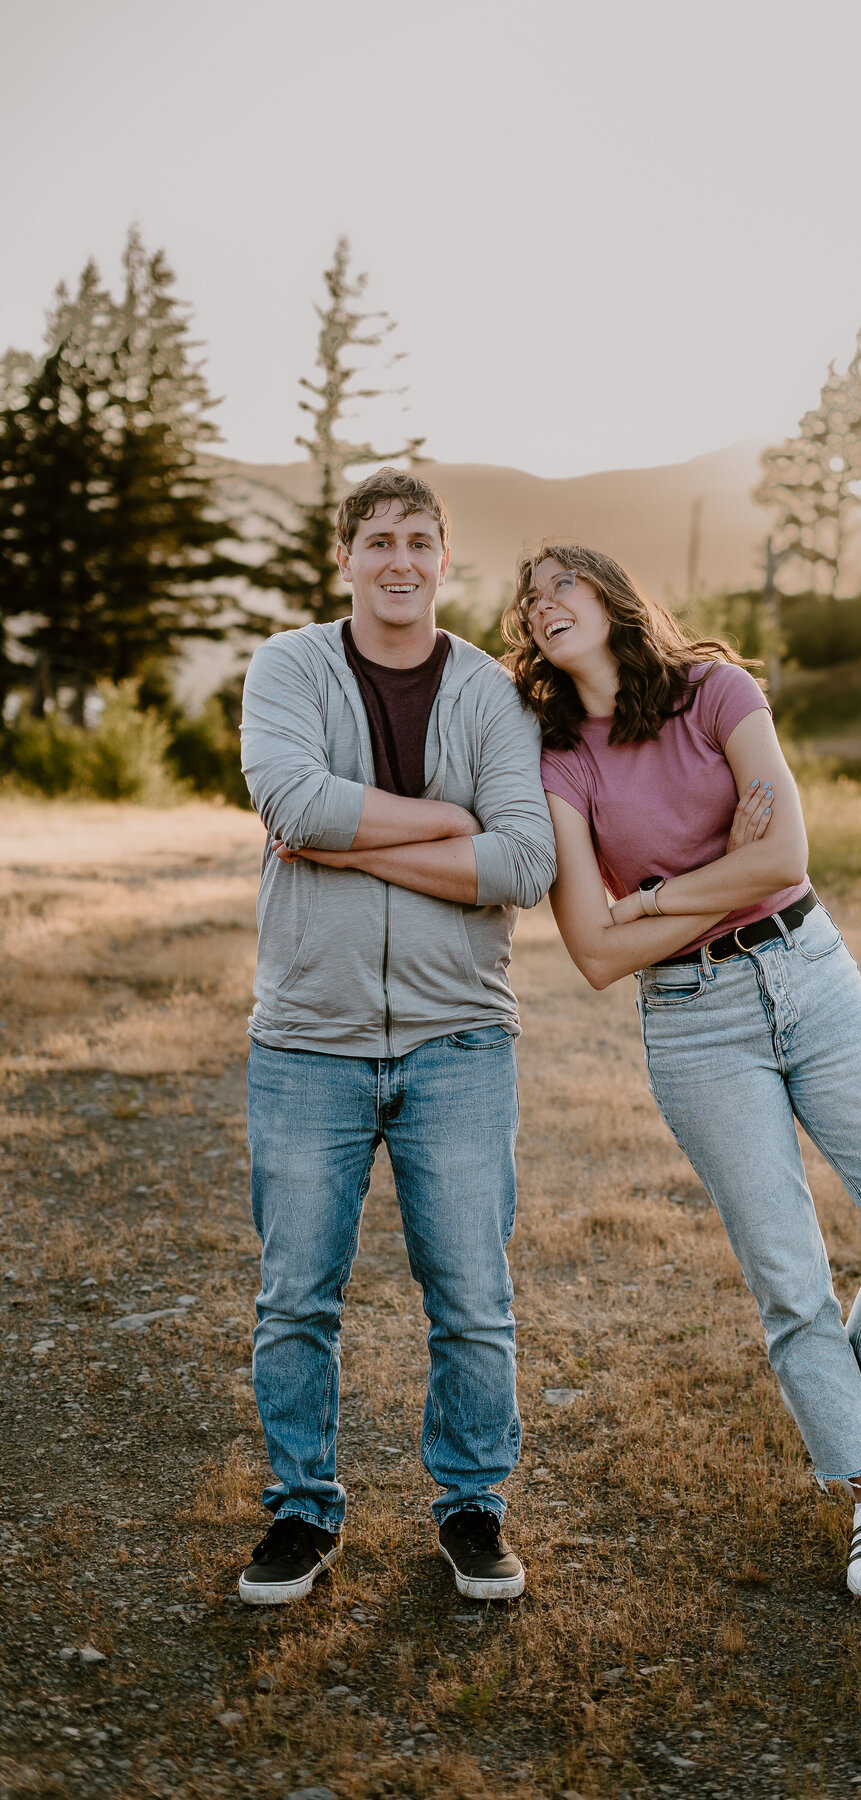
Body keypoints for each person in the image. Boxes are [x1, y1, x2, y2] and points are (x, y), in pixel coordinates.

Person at [504, 544, 861, 1604]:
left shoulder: (719, 688)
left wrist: (649, 897)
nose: (542, 607)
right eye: (527, 600)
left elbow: (785, 859)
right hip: (692, 1019)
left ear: (615, 596)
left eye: (560, 585)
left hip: (812, 974)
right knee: (789, 1279)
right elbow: (591, 952)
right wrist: (685, 895)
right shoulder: (559, 761)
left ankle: (859, 1398)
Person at [236, 468, 555, 1607]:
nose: (401, 560)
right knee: (296, 1300)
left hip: (459, 1037)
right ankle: (301, 1513)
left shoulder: (492, 695)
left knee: (470, 1295)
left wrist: (349, 837)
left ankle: (473, 1509)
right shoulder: (288, 667)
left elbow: (522, 863)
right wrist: (443, 824)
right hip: (308, 1039)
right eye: (379, 540)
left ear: (444, 558)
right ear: (346, 560)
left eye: (420, 539)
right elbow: (290, 802)